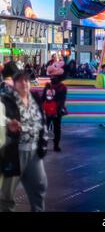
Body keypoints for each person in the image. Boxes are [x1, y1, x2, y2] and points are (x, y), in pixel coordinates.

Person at [0, 71, 48, 212]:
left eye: (26, 80)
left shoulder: (35, 98)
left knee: (39, 187)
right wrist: (9, 123)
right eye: (20, 81)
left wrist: (43, 143)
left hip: (34, 151)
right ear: (14, 84)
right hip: (13, 152)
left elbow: (42, 120)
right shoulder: (6, 100)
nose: (24, 84)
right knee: (6, 193)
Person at [43, 61, 67, 152]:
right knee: (45, 129)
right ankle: (44, 145)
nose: (52, 78)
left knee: (57, 129)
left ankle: (56, 145)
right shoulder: (48, 86)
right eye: (51, 76)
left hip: (56, 111)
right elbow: (43, 98)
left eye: (54, 77)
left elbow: (62, 100)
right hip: (48, 111)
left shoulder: (62, 87)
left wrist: (57, 110)